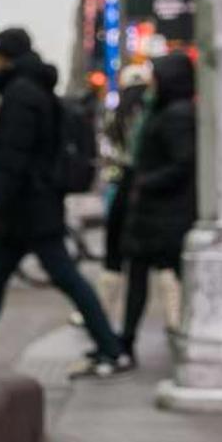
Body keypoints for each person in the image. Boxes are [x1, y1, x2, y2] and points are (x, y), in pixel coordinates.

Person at [0, 27, 131, 379]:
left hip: (26, 209)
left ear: (5, 56)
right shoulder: (35, 91)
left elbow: (12, 158)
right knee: (0, 279)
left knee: (58, 279)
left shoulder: (20, 96)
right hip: (36, 205)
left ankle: (112, 349)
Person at [116, 54, 197, 363]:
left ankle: (129, 340)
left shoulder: (176, 115)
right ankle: (126, 339)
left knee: (164, 274)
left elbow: (182, 163)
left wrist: (145, 182)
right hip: (156, 212)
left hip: (165, 212)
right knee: (142, 275)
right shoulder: (164, 111)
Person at [99, 62, 153, 315]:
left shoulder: (116, 113)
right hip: (149, 188)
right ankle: (174, 316)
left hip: (122, 182)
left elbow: (110, 149)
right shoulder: (152, 110)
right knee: (153, 257)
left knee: (114, 252)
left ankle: (103, 309)